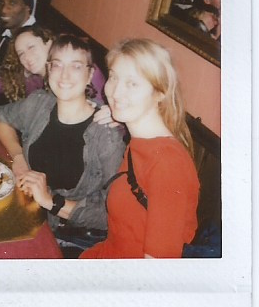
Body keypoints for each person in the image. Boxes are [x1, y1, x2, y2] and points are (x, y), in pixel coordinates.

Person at [0, 34, 126, 249]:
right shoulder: (39, 103)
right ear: (49, 69)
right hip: (23, 212)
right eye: (57, 65)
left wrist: (50, 201)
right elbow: (2, 118)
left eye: (76, 66)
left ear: (90, 75)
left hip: (65, 237)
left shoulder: (106, 135)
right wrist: (18, 157)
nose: (65, 75)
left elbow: (113, 214)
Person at [81, 39, 200, 259]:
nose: (116, 92)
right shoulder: (139, 142)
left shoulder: (168, 163)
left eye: (132, 84)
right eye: (113, 77)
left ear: (160, 93)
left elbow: (156, 268)